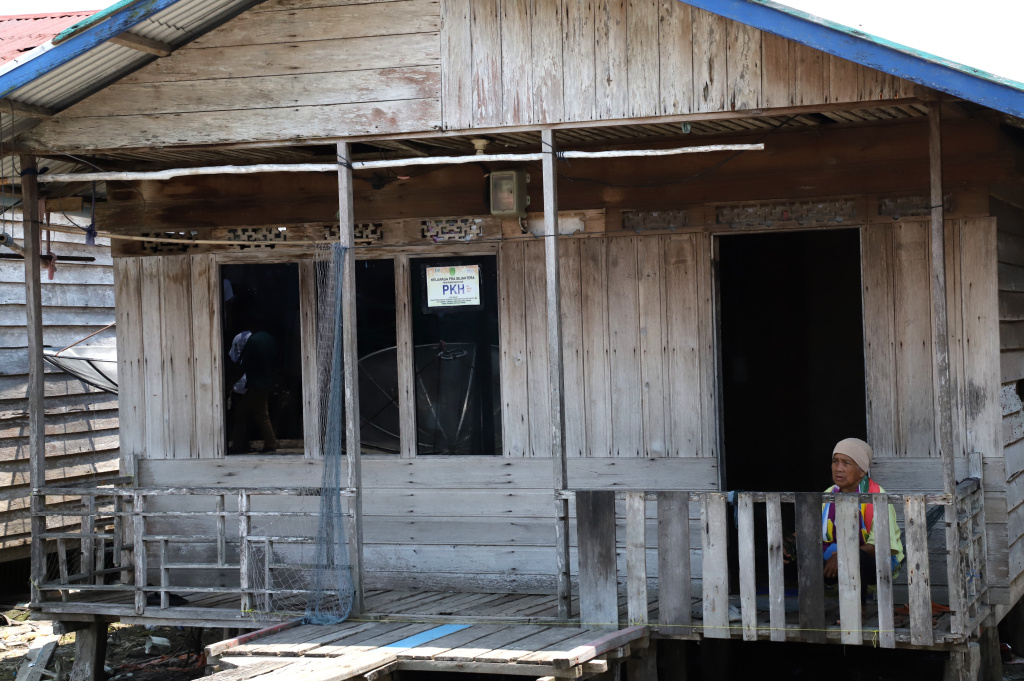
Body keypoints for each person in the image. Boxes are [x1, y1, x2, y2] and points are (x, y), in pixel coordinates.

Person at [822, 438, 904, 587]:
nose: (838, 468)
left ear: (862, 471)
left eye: (846, 463)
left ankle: (861, 605)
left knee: (856, 557)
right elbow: (813, 532)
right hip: (835, 555)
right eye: (835, 461)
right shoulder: (828, 494)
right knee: (801, 556)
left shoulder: (877, 495)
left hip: (876, 561)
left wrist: (844, 554)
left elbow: (881, 545)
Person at [228, 320, 279, 454]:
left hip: (255, 384)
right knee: (260, 413)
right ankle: (267, 442)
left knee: (243, 414)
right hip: (265, 383)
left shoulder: (253, 341)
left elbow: (243, 366)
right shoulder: (268, 339)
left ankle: (240, 445)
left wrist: (231, 382)